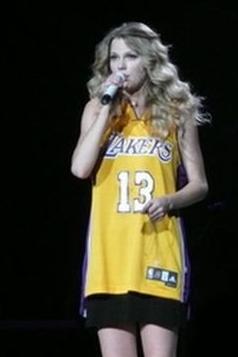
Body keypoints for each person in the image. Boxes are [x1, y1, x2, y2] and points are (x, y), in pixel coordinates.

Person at [70, 21, 211, 357]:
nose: (120, 65)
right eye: (114, 57)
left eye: (130, 56)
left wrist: (170, 199)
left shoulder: (177, 113)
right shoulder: (96, 109)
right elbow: (79, 169)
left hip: (157, 252)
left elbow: (200, 185)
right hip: (110, 259)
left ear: (148, 61)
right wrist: (106, 108)